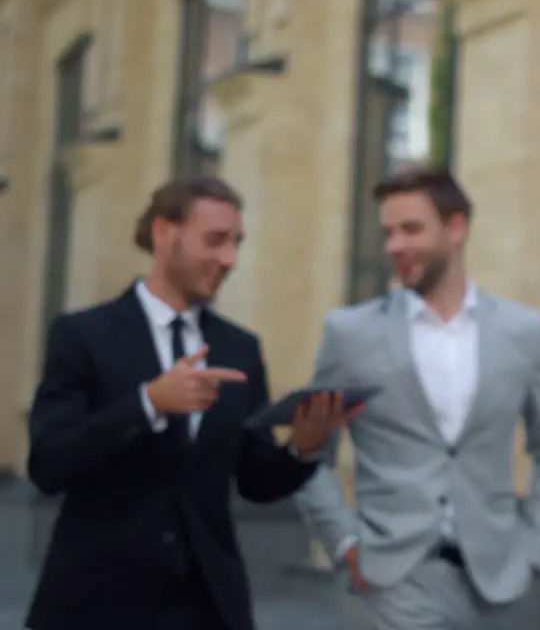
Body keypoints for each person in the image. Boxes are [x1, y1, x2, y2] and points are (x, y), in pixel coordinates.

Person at [24, 176, 358, 630]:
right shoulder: (83, 335)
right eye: (216, 241)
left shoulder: (239, 348)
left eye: (236, 243)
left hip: (207, 606)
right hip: (97, 603)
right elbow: (48, 464)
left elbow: (255, 480)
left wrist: (302, 448)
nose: (230, 259)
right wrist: (148, 403)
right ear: (165, 233)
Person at [293, 167, 540, 630]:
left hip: (496, 585)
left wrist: (534, 551)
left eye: (411, 229)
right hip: (388, 583)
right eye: (388, 233)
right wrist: (344, 544)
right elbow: (307, 455)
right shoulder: (350, 334)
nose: (394, 247)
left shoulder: (523, 332)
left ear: (456, 227)